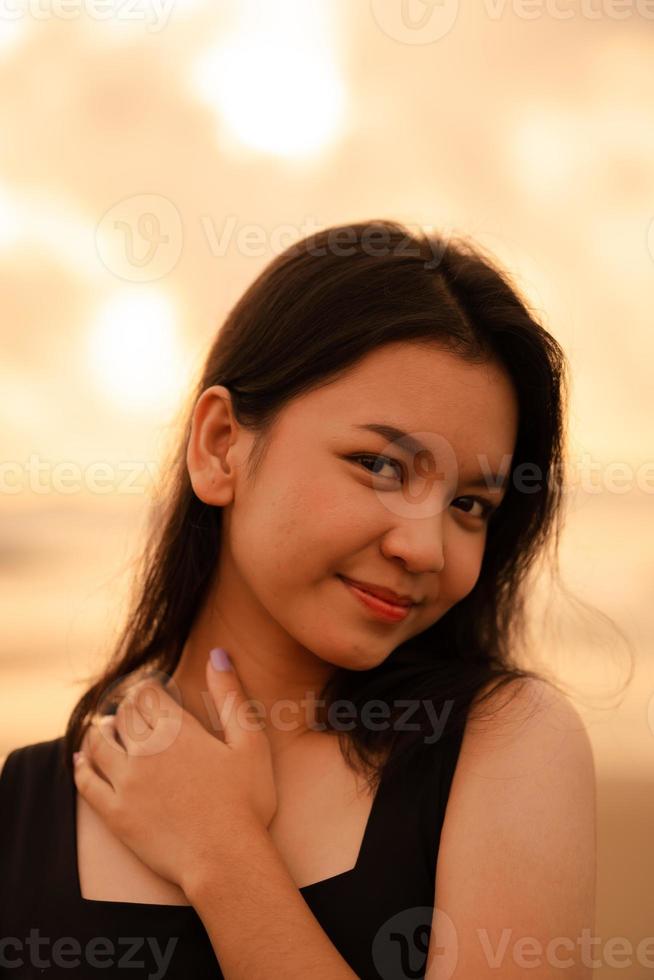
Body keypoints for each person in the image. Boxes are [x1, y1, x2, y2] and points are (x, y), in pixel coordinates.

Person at [0, 220, 596, 979]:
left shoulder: (502, 748)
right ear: (221, 446)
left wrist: (223, 855)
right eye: (379, 464)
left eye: (470, 505)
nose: (426, 548)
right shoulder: (23, 809)